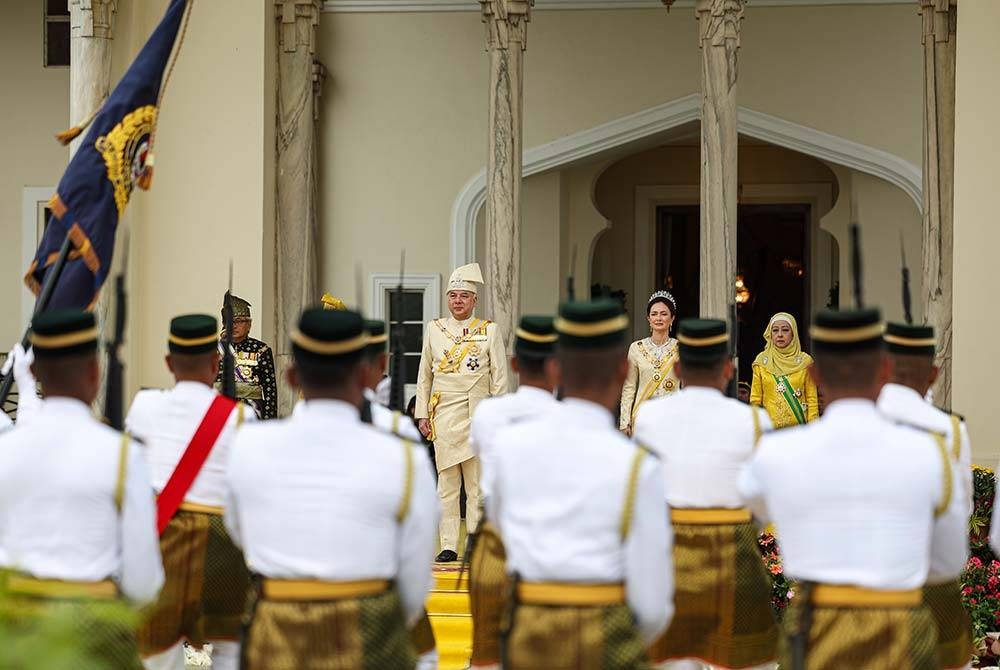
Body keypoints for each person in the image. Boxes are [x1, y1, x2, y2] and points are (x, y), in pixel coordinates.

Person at [739, 308, 968, 669]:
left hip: (815, 630)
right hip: (903, 627)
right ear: (885, 372)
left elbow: (744, 529)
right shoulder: (931, 452)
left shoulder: (777, 452)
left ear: (813, 373)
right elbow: (948, 562)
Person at [225, 307, 439, 669]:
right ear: (365, 372)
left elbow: (239, 534)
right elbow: (416, 575)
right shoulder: (403, 456)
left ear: (292, 376)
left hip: (277, 629)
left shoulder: (248, 446)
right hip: (369, 628)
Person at [488, 299, 673, 669]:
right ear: (624, 369)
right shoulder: (639, 467)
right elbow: (652, 606)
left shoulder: (508, 448)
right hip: (608, 636)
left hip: (529, 634)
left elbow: (499, 544)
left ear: (555, 369)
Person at [0, 309, 164, 668]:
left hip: (14, 630)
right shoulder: (124, 455)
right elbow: (143, 582)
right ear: (95, 371)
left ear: (32, 372)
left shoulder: (4, 448)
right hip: (96, 629)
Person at [634, 318, 778, 670]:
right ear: (728, 369)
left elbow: (643, 494)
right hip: (734, 561)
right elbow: (765, 502)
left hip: (671, 566)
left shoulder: (649, 416)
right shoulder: (756, 423)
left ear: (679, 367)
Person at [125, 314, 254, 670]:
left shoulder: (144, 407)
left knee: (156, 654)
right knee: (231, 654)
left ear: (169, 363)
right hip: (221, 551)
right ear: (216, 363)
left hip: (163, 546)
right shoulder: (243, 417)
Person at [877, 322, 974, 670]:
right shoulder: (951, 432)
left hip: (859, 596)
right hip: (930, 584)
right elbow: (961, 511)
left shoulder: (850, 423)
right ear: (933, 374)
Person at [467, 315, 560, 670]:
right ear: (558, 365)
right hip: (548, 547)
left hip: (496, 547)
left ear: (516, 363)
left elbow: (480, 453)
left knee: (488, 660)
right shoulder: (567, 417)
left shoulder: (488, 413)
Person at [414, 262, 508, 562]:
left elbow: (500, 378)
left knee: (477, 483)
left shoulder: (489, 331)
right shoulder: (435, 329)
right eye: (453, 296)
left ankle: (474, 542)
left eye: (463, 296)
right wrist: (421, 414)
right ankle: (448, 544)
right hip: (443, 412)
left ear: (474, 300)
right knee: (447, 483)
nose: (457, 301)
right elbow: (424, 376)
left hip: (477, 413)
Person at [360, 318, 436, 670]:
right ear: (378, 365)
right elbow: (419, 538)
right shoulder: (401, 437)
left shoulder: (263, 441)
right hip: (379, 594)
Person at [620, 291, 680, 436]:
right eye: (654, 314)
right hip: (642, 418)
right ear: (648, 318)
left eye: (664, 314)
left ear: (672, 318)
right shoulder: (636, 348)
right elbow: (629, 386)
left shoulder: (681, 348)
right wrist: (624, 421)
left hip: (672, 418)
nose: (658, 318)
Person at [749, 312, 819, 428]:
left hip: (799, 432)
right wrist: (756, 428)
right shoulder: (762, 361)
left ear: (793, 333)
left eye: (785, 330)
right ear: (770, 334)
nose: (780, 335)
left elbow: (812, 400)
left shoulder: (805, 361)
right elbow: (755, 399)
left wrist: (814, 430)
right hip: (769, 431)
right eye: (775, 330)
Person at [216, 294, 277, 420]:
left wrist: (269, 422)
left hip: (252, 411)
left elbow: (270, 389)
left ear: (249, 324)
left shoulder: (261, 349)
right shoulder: (215, 350)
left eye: (238, 321)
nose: (233, 325)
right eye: (229, 321)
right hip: (220, 411)